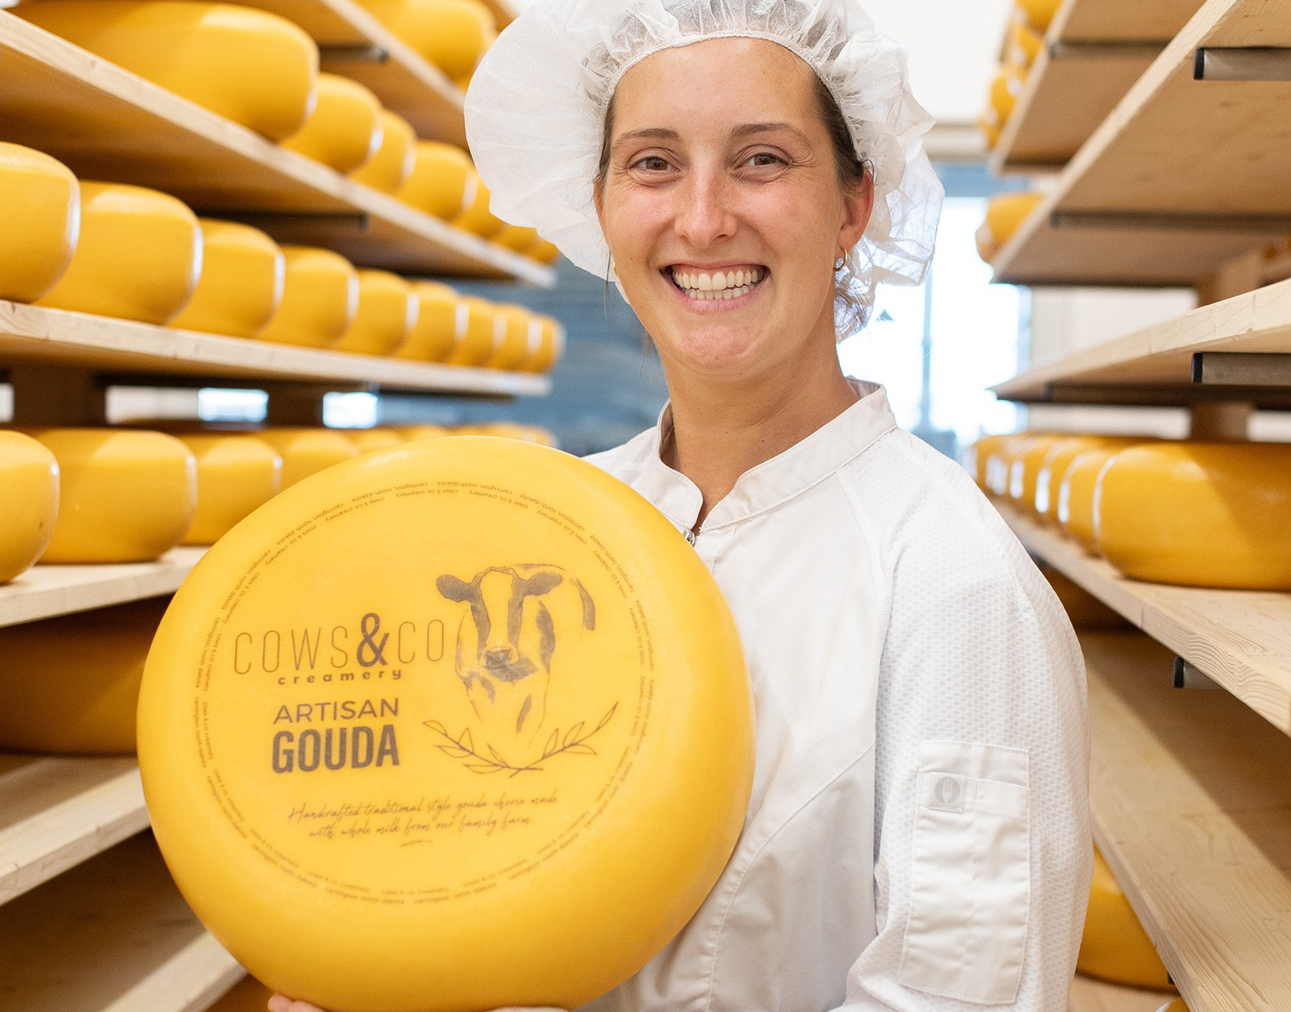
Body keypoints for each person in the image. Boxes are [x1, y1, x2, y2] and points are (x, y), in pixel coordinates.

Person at [272, 1, 1091, 1011]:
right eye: (654, 163)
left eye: (760, 160)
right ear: (603, 205)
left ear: (851, 207)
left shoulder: (951, 588)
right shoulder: (563, 526)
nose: (702, 219)